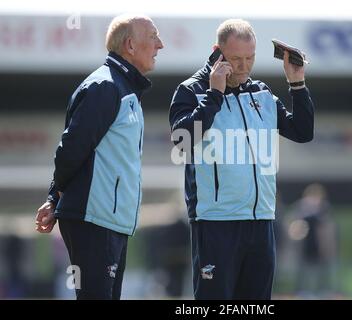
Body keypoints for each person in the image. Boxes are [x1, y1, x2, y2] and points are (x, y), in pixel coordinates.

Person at [169, 18, 314, 299]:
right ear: (217, 52)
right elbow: (181, 142)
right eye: (236, 59)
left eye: (250, 58)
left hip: (261, 222)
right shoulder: (191, 91)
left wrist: (297, 84)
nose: (244, 66)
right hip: (215, 223)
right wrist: (214, 94)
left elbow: (302, 132)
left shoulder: (262, 92)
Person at [34, 14, 164, 299]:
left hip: (108, 221)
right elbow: (70, 150)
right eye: (153, 37)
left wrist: (54, 196)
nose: (160, 45)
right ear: (130, 45)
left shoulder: (124, 88)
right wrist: (55, 197)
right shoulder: (107, 87)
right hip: (94, 221)